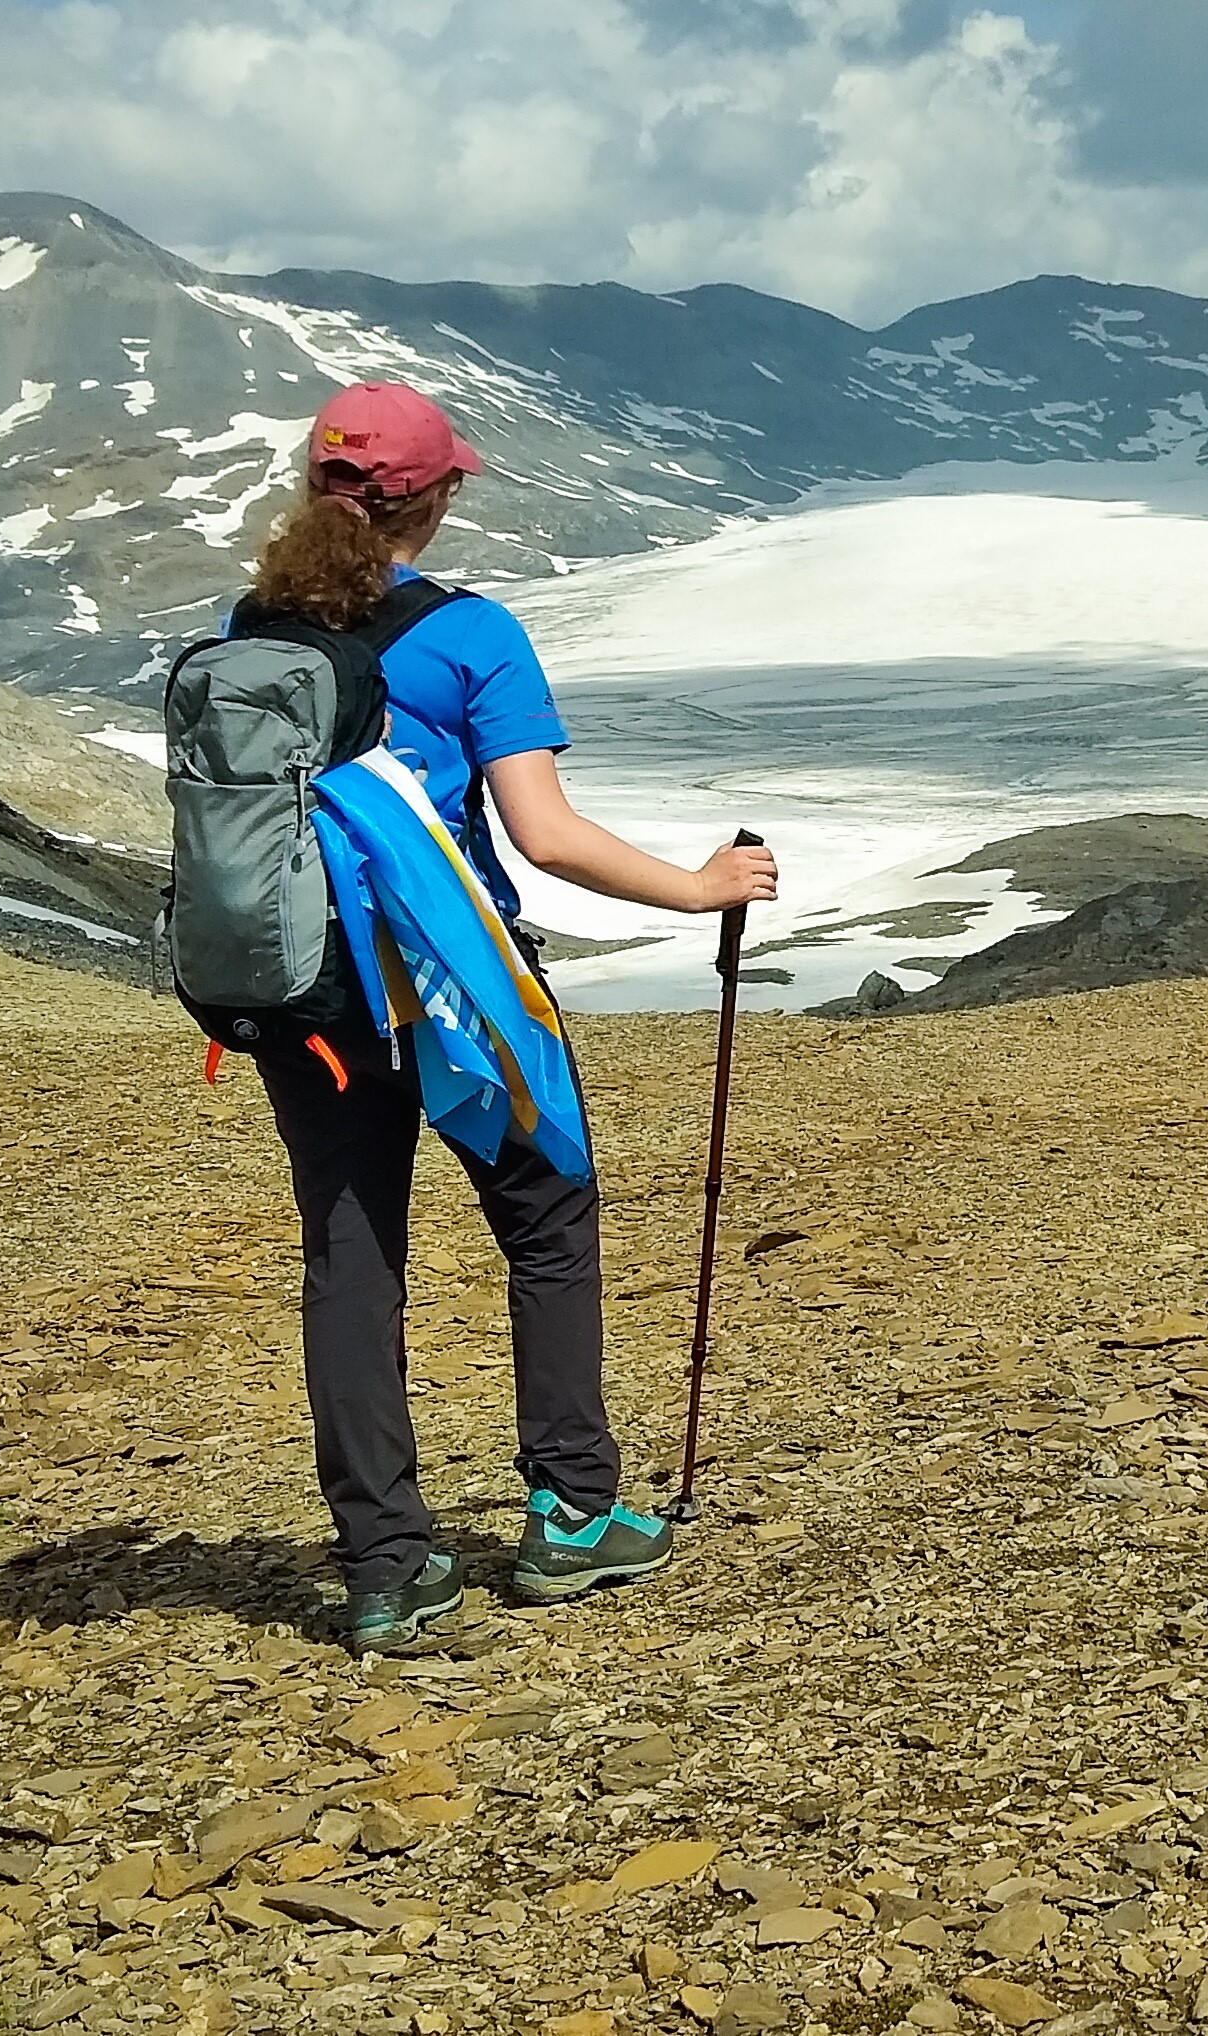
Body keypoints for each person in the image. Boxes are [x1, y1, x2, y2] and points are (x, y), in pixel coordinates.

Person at [232, 379, 777, 1652]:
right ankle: (574, 1511)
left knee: (351, 1255)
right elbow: (546, 837)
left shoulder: (246, 631)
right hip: (451, 983)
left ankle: (383, 1564)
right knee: (544, 1214)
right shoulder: (471, 636)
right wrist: (702, 889)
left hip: (305, 989)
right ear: (438, 499)